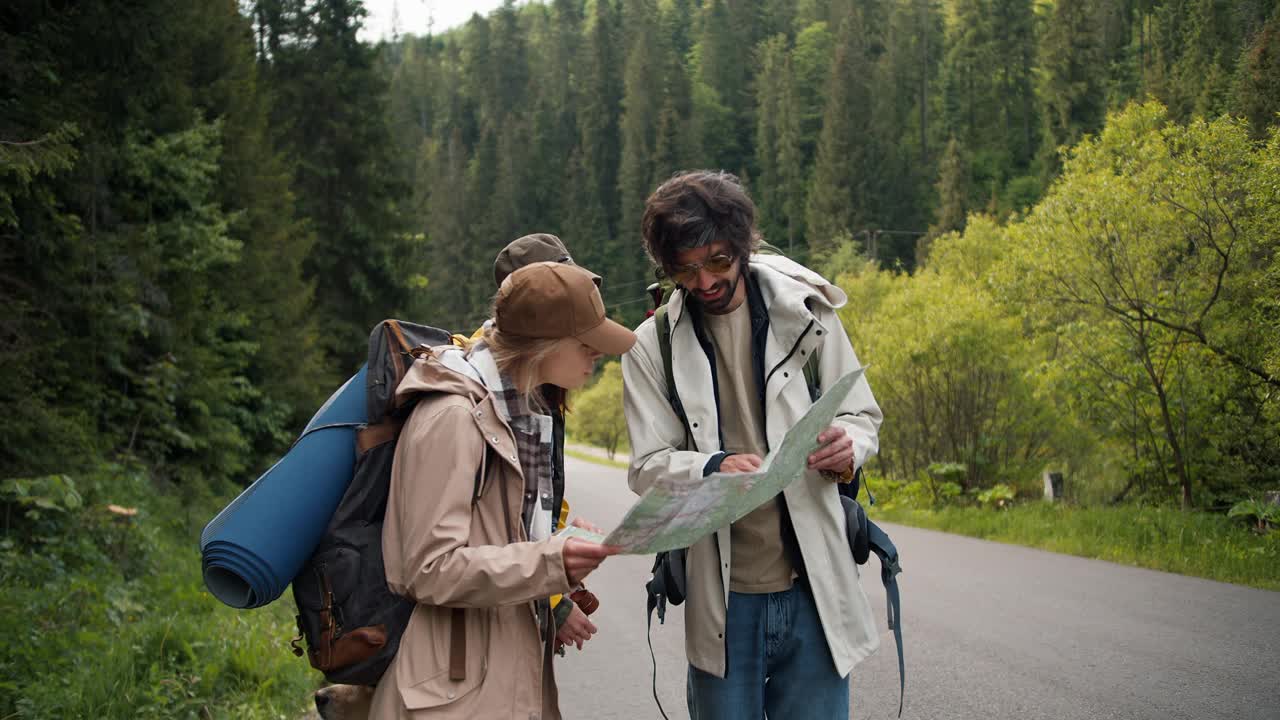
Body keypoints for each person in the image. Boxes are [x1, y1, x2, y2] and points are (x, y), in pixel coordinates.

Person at [620, 170, 884, 719]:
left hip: (813, 586)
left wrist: (849, 445)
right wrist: (714, 467)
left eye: (717, 261)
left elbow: (861, 412)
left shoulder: (809, 312)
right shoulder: (651, 348)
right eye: (684, 269)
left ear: (742, 247)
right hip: (724, 600)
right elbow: (647, 468)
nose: (704, 281)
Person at [370, 261, 635, 719]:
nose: (598, 354)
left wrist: (559, 548)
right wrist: (549, 559)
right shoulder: (452, 418)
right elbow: (427, 568)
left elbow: (495, 538)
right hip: (453, 694)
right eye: (586, 343)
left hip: (494, 673)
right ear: (543, 345)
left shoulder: (514, 416)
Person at [459, 233, 603, 653]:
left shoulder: (541, 379)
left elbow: (538, 492)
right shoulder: (494, 389)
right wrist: (553, 603)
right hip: (489, 616)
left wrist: (564, 531)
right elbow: (499, 523)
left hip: (515, 592)